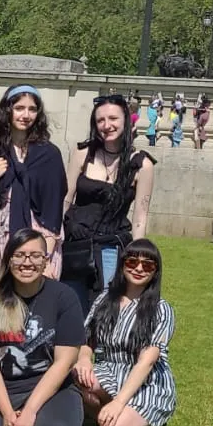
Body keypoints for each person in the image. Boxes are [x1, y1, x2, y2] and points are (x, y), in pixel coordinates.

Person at [0, 228, 85, 426]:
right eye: (19, 255)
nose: (27, 263)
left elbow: (64, 362)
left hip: (49, 385)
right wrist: (6, 411)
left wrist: (31, 409)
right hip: (4, 388)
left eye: (36, 256)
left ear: (46, 261)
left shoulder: (63, 296)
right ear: (8, 259)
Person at [75, 238, 176, 426]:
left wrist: (119, 402)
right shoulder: (105, 298)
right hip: (110, 370)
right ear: (122, 264)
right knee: (76, 375)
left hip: (146, 380)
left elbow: (147, 362)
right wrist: (84, 359)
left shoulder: (161, 309)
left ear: (155, 272)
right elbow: (86, 339)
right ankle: (105, 418)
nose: (138, 269)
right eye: (132, 262)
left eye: (147, 265)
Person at [61, 95, 155, 309]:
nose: (106, 125)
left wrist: (137, 256)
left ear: (126, 121)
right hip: (76, 242)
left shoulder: (142, 165)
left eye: (113, 118)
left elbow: (140, 218)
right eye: (100, 120)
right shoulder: (82, 153)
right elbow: (65, 199)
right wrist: (55, 239)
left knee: (106, 307)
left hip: (111, 246)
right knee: (71, 305)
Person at [0, 85, 67, 277]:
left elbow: (54, 210)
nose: (26, 115)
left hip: (42, 238)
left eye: (32, 109)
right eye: (19, 108)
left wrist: (45, 257)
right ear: (7, 110)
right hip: (5, 235)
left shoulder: (49, 154)